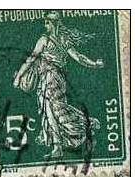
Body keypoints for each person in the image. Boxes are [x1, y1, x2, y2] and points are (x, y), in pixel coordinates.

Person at [12, 12, 105, 158]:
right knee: (52, 110)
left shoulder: (44, 40)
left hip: (50, 78)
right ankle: (58, 146)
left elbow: (30, 60)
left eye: (47, 23)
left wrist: (18, 77)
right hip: (56, 79)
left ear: (53, 23)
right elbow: (79, 57)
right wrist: (94, 64)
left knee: (54, 110)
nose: (45, 25)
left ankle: (85, 125)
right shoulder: (63, 39)